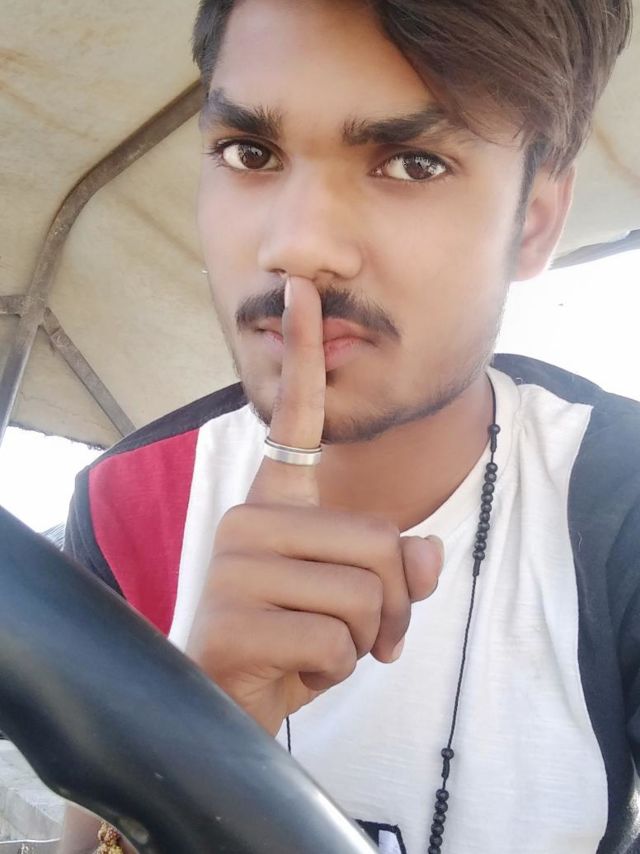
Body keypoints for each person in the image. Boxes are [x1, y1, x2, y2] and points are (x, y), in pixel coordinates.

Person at [57, 0, 637, 851]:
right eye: (249, 153)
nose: (299, 247)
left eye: (412, 164)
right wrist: (187, 736)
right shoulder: (131, 503)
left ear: (536, 219)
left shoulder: (617, 503)